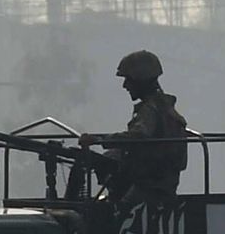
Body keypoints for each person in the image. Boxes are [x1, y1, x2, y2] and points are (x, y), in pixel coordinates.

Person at [78, 50, 188, 211]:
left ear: (140, 80)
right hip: (157, 183)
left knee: (109, 214)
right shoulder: (163, 108)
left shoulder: (152, 109)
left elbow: (138, 137)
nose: (125, 85)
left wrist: (100, 140)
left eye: (128, 80)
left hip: (149, 187)